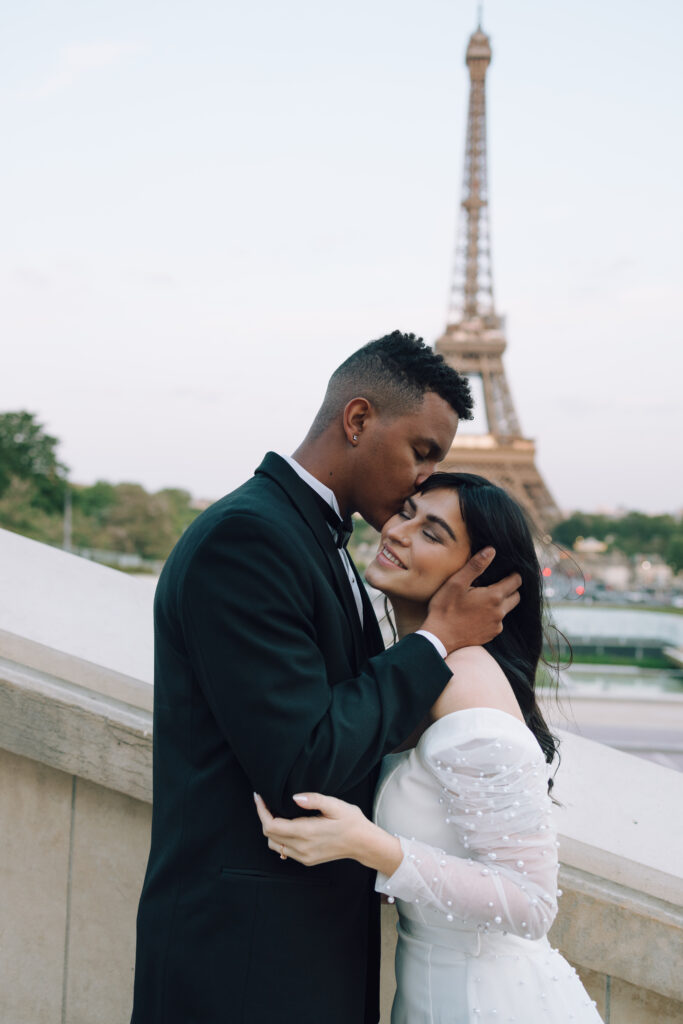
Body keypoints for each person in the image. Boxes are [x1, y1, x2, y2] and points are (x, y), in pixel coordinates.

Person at [130, 333, 522, 1024]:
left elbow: (349, 715)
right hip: (245, 966)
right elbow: (303, 762)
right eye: (421, 452)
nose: (422, 479)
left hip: (284, 951)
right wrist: (438, 640)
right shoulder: (248, 541)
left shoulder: (304, 535)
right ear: (358, 419)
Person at [256, 473, 604, 1023]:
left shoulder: (468, 684)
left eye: (433, 533)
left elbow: (532, 904)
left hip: (485, 1003)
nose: (397, 531)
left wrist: (370, 846)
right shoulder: (420, 669)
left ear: (479, 575)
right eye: (408, 511)